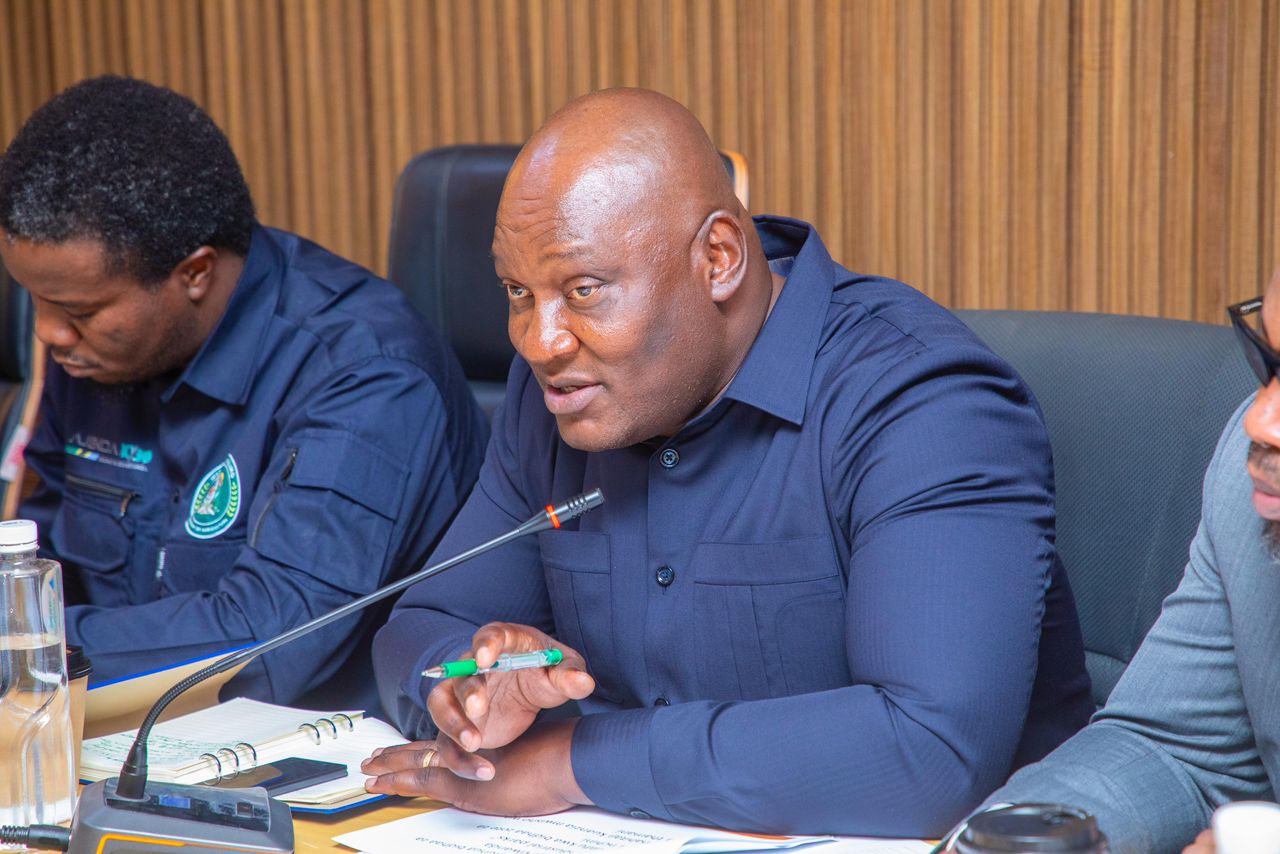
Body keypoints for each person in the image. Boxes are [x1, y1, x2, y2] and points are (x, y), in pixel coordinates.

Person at [363, 88, 1092, 837]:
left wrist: (570, 760)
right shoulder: (559, 393)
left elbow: (930, 752)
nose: (539, 341)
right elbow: (424, 625)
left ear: (717, 258)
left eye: (584, 290)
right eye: (519, 292)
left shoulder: (921, 403)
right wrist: (472, 692)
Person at [0, 76, 488, 713]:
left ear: (195, 273)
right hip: (101, 728)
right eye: (35, 300)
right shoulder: (91, 352)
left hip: (305, 746)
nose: (48, 333)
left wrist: (28, 650)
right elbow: (32, 562)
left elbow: (269, 641)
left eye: (78, 311)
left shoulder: (365, 372)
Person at [974, 269, 1280, 854]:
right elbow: (1175, 751)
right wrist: (1007, 842)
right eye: (1268, 361)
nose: (1258, 421)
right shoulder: (1251, 488)